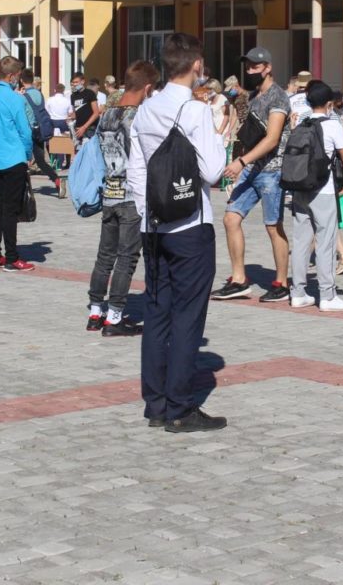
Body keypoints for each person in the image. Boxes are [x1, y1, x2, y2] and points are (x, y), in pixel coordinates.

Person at [126, 33, 228, 432]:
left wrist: (147, 211)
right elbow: (213, 171)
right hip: (189, 224)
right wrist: (218, 133)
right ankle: (181, 409)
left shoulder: (147, 108)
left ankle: (155, 404)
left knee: (157, 313)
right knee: (187, 315)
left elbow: (137, 169)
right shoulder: (196, 111)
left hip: (154, 225)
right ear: (196, 65)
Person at [213, 46, 291, 303]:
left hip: (272, 170)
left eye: (255, 66)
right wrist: (242, 163)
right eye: (247, 67)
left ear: (268, 68)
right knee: (230, 218)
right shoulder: (255, 96)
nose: (250, 71)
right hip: (252, 168)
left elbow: (272, 139)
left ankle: (281, 283)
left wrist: (241, 162)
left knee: (273, 226)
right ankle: (239, 280)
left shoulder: (278, 97)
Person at [86, 61, 158, 336]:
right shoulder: (138, 117)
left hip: (110, 193)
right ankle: (115, 317)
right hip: (131, 196)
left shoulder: (107, 115)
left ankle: (95, 312)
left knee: (105, 256)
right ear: (147, 88)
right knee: (127, 257)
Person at [287, 80, 343, 311]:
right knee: (326, 242)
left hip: (300, 189)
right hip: (323, 191)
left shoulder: (301, 124)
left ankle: (298, 293)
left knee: (300, 242)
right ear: (329, 104)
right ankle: (328, 295)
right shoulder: (332, 125)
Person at [0, 57, 34, 272]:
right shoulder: (14, 98)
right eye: (18, 76)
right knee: (11, 210)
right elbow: (25, 131)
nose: (19, 80)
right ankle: (12, 258)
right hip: (14, 157)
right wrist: (28, 154)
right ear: (12, 76)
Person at [17, 70, 60, 187]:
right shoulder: (39, 94)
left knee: (22, 160)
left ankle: (23, 187)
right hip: (40, 130)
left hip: (29, 131)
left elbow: (22, 114)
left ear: (21, 80)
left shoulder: (23, 97)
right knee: (40, 161)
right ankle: (56, 179)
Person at [71, 73, 102, 142]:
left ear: (82, 81)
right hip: (78, 129)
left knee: (89, 148)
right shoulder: (73, 96)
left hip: (89, 129)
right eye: (73, 82)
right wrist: (70, 117)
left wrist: (84, 127)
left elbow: (96, 113)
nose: (74, 84)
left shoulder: (90, 93)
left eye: (76, 82)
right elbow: (76, 112)